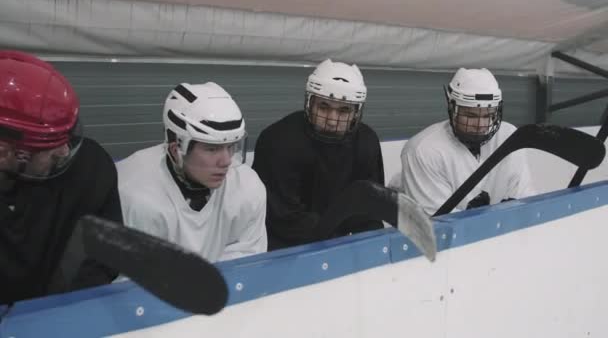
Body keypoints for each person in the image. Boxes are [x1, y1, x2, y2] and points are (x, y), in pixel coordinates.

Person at [0, 50, 122, 304]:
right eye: (49, 146)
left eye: (68, 135)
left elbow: (106, 252)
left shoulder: (91, 169)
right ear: (4, 153)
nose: (65, 151)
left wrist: (64, 310)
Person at [117, 82, 267, 262]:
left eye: (231, 146)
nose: (226, 161)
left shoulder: (248, 188)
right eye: (212, 149)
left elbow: (247, 260)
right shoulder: (135, 196)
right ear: (176, 150)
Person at [252, 59, 385, 251]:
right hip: (286, 248)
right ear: (309, 103)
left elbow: (369, 208)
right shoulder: (278, 141)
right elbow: (282, 217)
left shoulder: (367, 142)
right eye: (323, 107)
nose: (332, 120)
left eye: (344, 110)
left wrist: (367, 248)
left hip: (343, 244)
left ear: (356, 112)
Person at [394, 67, 534, 216]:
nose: (480, 125)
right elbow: (436, 224)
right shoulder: (423, 150)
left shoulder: (509, 137)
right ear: (452, 108)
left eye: (488, 115)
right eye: (471, 116)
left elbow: (524, 199)